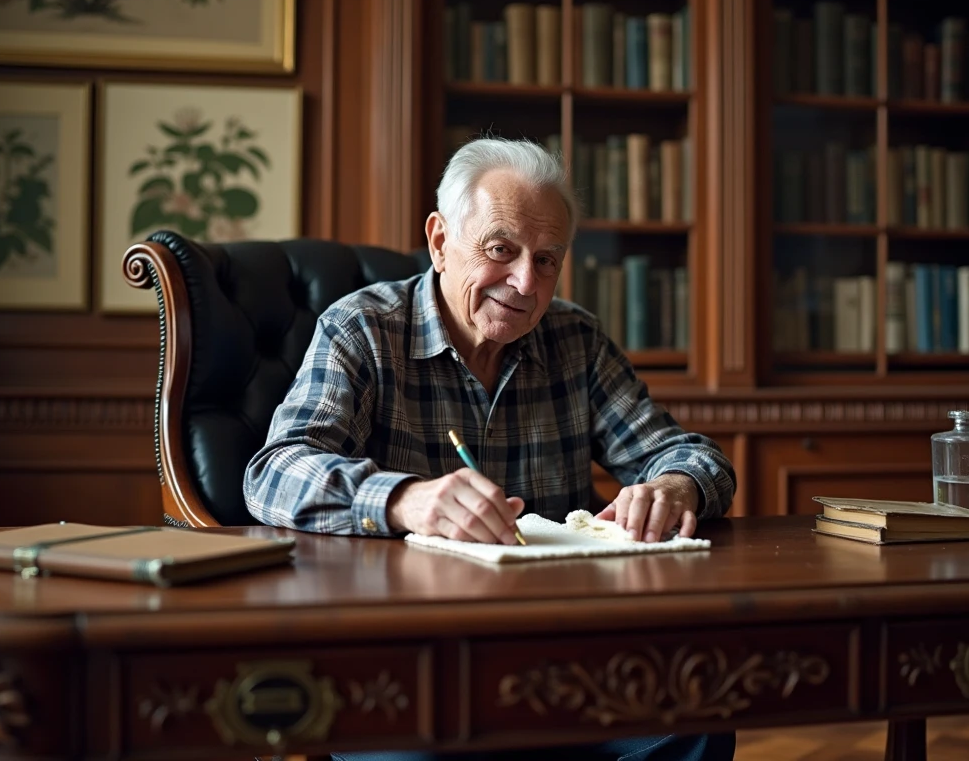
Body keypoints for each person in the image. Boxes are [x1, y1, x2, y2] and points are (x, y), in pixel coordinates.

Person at [244, 137, 737, 761]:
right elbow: (275, 471)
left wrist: (673, 487)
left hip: (561, 656)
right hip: (404, 663)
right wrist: (405, 501)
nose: (526, 282)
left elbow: (692, 457)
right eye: (501, 250)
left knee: (697, 718)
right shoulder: (362, 330)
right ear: (439, 240)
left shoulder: (576, 340)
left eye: (547, 260)